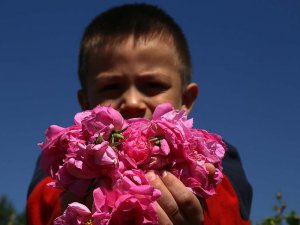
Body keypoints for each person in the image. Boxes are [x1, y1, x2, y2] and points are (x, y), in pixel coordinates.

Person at [27, 3, 252, 225]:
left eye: (153, 84)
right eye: (111, 87)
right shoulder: (60, 167)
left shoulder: (217, 163)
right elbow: (40, 209)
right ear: (85, 104)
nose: (132, 102)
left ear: (186, 100)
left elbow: (229, 212)